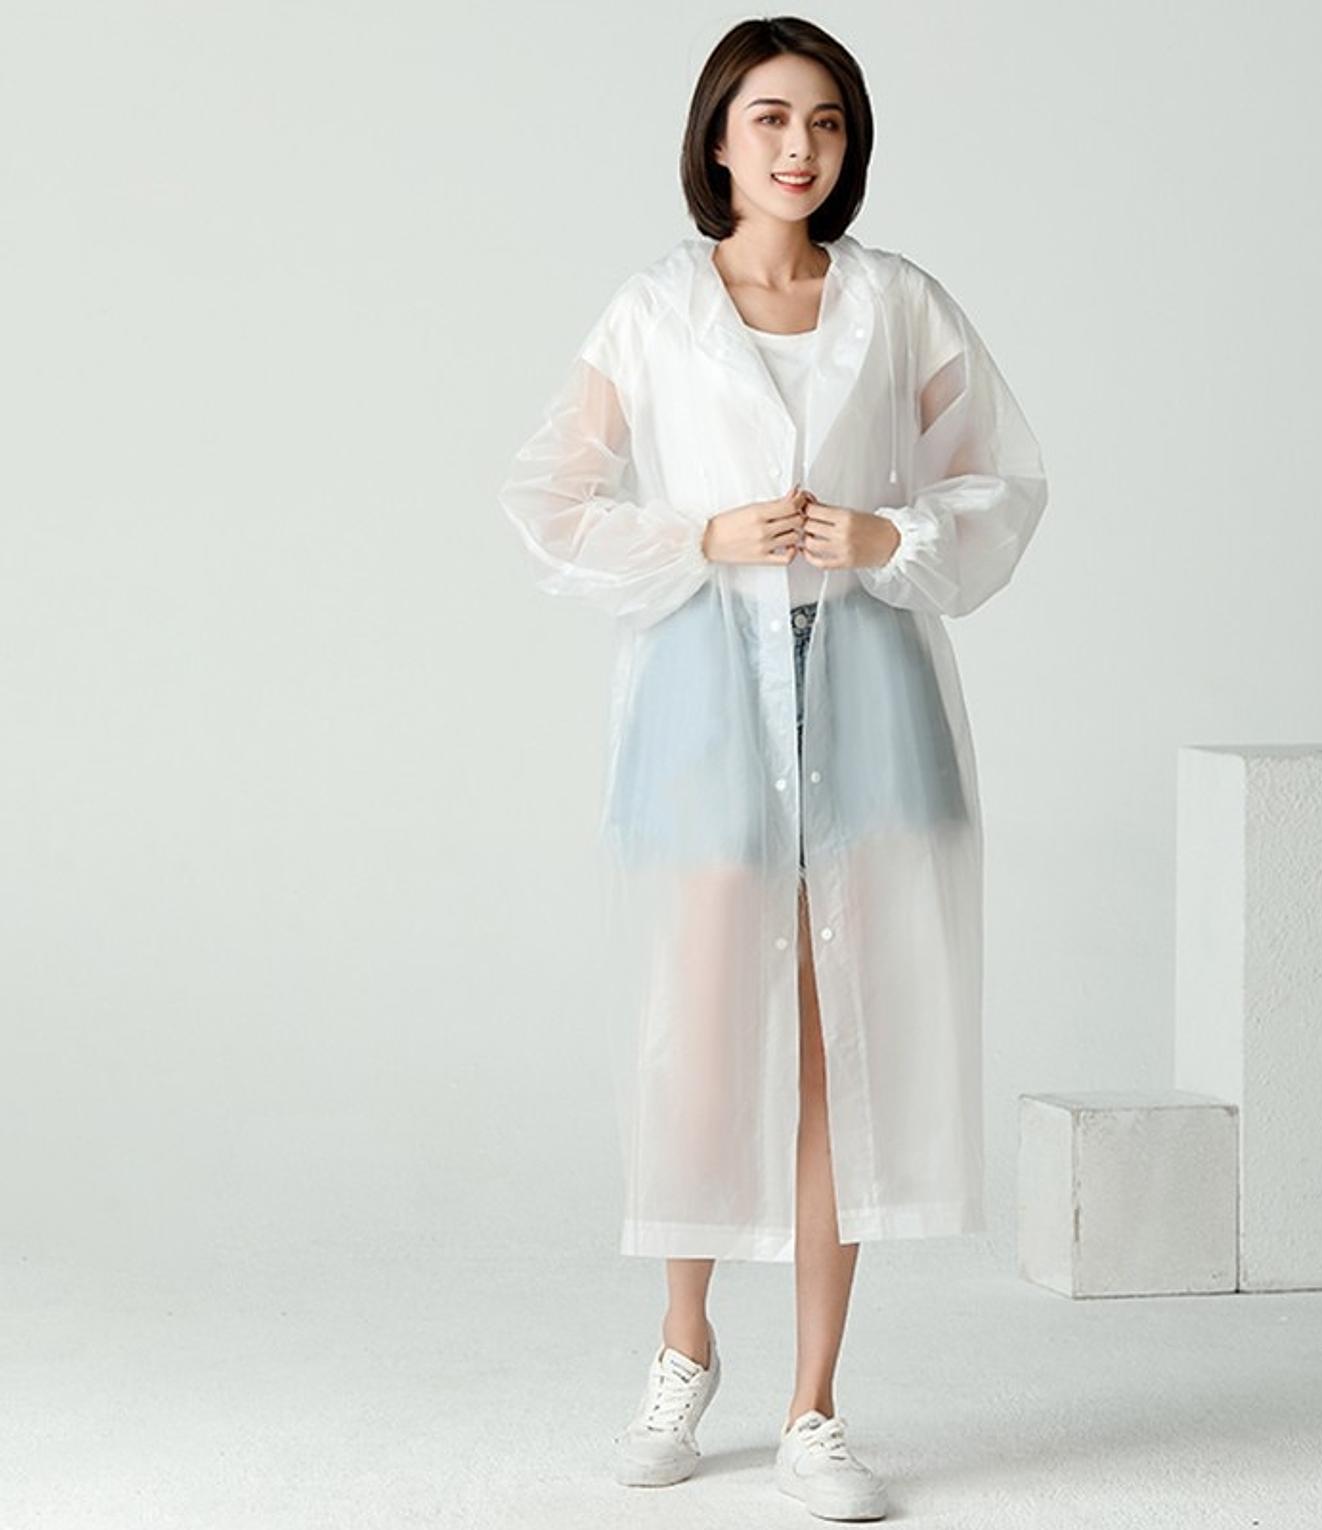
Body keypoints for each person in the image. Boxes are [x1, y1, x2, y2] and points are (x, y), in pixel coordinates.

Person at [498, 15, 1048, 1520]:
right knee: (698, 1023)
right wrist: (697, 535)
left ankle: (815, 1404)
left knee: (836, 1044)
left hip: (867, 685)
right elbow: (548, 495)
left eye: (825, 122)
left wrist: (889, 535)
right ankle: (683, 1347)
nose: (798, 147)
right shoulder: (656, 311)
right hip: (702, 691)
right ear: (719, 138)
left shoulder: (897, 304)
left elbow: (1000, 478)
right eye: (770, 119)